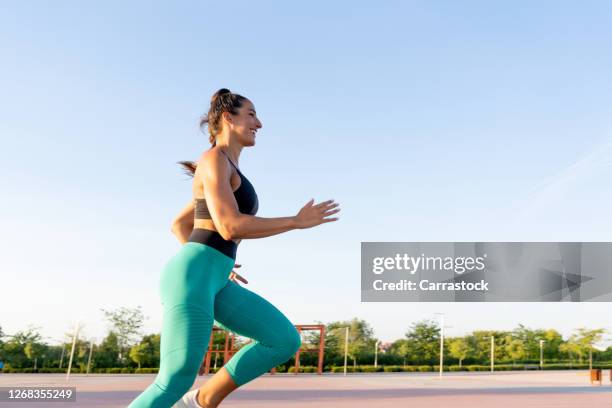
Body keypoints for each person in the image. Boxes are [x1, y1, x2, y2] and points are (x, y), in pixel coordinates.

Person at [128, 88, 340, 408]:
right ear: (229, 117)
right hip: (193, 276)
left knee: (282, 340)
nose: (260, 123)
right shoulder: (213, 159)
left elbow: (180, 224)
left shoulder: (226, 166)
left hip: (214, 275)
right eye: (252, 114)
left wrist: (219, 263)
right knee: (176, 376)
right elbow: (229, 225)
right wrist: (295, 221)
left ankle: (203, 399)